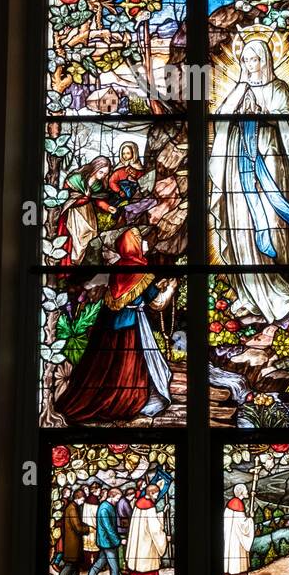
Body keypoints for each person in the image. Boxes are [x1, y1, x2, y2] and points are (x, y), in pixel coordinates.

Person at [209, 38, 289, 323]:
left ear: (266, 61)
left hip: (270, 167)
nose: (249, 65)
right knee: (241, 229)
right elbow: (220, 122)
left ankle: (282, 296)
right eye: (245, 60)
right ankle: (249, 295)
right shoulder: (237, 90)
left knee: (273, 224)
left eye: (255, 59)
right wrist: (237, 116)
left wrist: (265, 118)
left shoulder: (278, 89)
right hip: (238, 171)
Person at [56, 228, 176, 422]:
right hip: (131, 328)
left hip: (106, 328)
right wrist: (170, 289)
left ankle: (98, 399)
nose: (144, 244)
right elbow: (157, 304)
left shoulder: (115, 270)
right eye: (139, 241)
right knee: (128, 368)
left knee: (104, 366)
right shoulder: (142, 274)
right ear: (134, 246)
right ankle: (126, 401)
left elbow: (97, 290)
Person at [57, 156, 115, 265]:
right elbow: (64, 195)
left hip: (88, 212)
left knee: (91, 235)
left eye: (105, 174)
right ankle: (73, 264)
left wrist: (107, 207)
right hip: (74, 213)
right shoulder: (76, 178)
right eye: (101, 172)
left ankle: (83, 265)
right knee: (76, 239)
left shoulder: (98, 185)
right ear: (95, 167)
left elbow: (97, 200)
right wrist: (79, 199)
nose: (103, 176)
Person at [126, 483, 168, 575]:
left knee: (139, 565)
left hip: (138, 541)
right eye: (156, 493)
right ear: (151, 493)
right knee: (146, 565)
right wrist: (163, 537)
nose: (157, 495)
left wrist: (161, 514)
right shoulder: (149, 507)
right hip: (147, 542)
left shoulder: (138, 504)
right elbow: (154, 529)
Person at [81, 487, 124, 575]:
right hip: (107, 542)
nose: (118, 501)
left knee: (98, 565)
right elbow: (108, 527)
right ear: (111, 496)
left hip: (107, 541)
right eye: (117, 498)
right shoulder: (105, 508)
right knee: (115, 568)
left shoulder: (109, 506)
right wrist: (118, 541)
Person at [53, 488, 90, 575]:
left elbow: (78, 522)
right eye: (82, 500)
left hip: (74, 543)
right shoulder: (72, 508)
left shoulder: (73, 507)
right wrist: (88, 529)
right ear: (78, 498)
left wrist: (87, 526)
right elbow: (78, 527)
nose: (83, 502)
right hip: (72, 544)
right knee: (69, 566)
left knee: (75, 566)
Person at [224, 483, 255, 575]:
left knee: (231, 564)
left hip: (229, 540)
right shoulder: (238, 504)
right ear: (241, 493)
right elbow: (243, 526)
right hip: (237, 541)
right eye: (246, 490)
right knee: (237, 563)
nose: (247, 492)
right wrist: (250, 519)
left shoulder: (230, 504)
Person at [80, 483, 101, 568]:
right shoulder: (94, 501)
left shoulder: (87, 499)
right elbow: (96, 515)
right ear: (95, 490)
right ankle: (93, 564)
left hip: (86, 526)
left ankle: (86, 564)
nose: (100, 491)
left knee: (87, 547)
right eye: (99, 490)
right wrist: (97, 526)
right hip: (93, 527)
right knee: (94, 547)